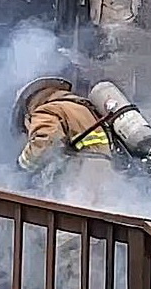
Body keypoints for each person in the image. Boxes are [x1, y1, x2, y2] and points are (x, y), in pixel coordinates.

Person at [11, 77, 117, 285]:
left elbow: (45, 142)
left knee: (66, 247)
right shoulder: (81, 109)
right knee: (92, 249)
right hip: (103, 183)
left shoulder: (46, 111)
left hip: (79, 182)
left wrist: (21, 167)